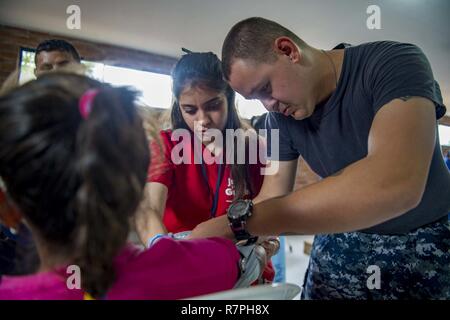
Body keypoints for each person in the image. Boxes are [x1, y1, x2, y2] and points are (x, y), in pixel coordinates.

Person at [189, 17, 450, 299]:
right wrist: (230, 237)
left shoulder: (393, 63)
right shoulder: (278, 121)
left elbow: (395, 182)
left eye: (265, 89)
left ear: (289, 50)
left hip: (424, 242)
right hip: (342, 237)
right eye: (257, 100)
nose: (269, 106)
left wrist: (235, 224)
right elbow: (272, 196)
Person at [0, 72, 276, 300]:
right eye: (190, 109)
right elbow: (248, 260)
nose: (202, 120)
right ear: (133, 193)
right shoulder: (196, 266)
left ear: (7, 209)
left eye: (213, 105)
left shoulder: (250, 146)